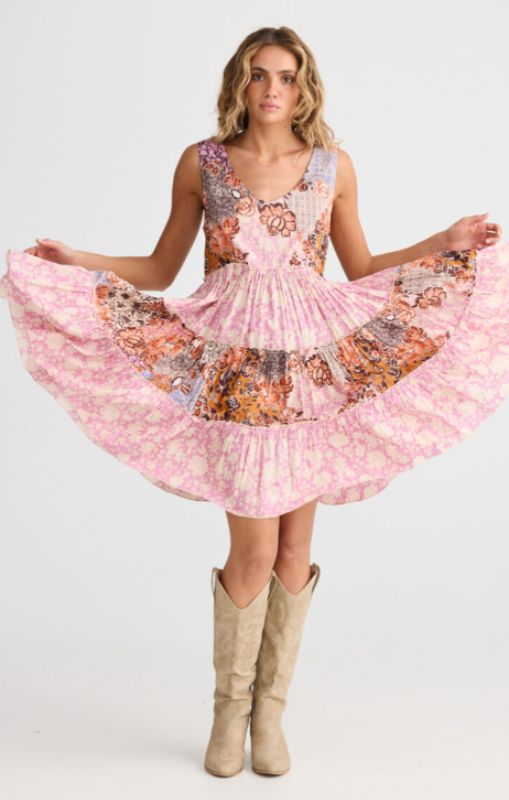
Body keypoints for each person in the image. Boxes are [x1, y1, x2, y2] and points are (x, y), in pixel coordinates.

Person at [1, 25, 508, 779]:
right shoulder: (203, 162)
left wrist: (445, 238)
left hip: (313, 370)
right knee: (255, 548)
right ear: (240, 82)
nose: (273, 89)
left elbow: (363, 266)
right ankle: (226, 713)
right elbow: (160, 267)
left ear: (305, 89)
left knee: (295, 550)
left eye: (288, 77)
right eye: (260, 74)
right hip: (236, 371)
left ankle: (268, 717)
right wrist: (79, 260)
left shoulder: (331, 167)